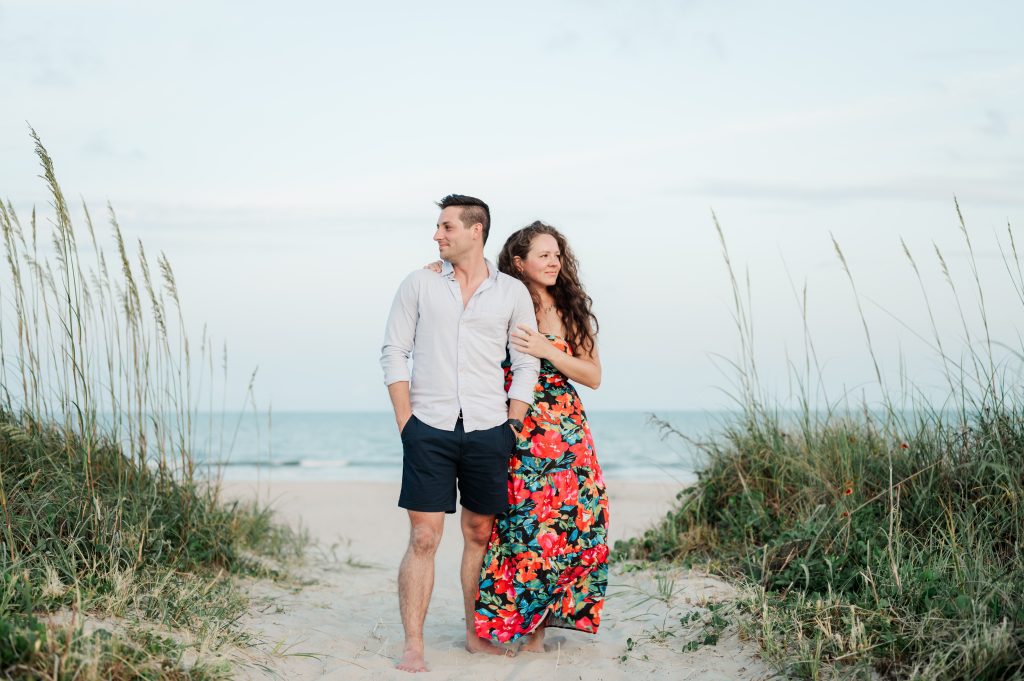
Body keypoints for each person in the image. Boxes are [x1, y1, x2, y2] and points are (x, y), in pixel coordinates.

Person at [380, 194, 540, 673]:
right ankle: (414, 644)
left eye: (446, 226)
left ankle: (474, 634)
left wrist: (513, 423)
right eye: (438, 227)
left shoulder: (511, 293)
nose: (437, 234)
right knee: (424, 538)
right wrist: (405, 422)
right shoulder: (419, 284)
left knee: (479, 533)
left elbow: (526, 361)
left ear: (476, 230)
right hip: (427, 427)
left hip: (490, 428)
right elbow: (393, 351)